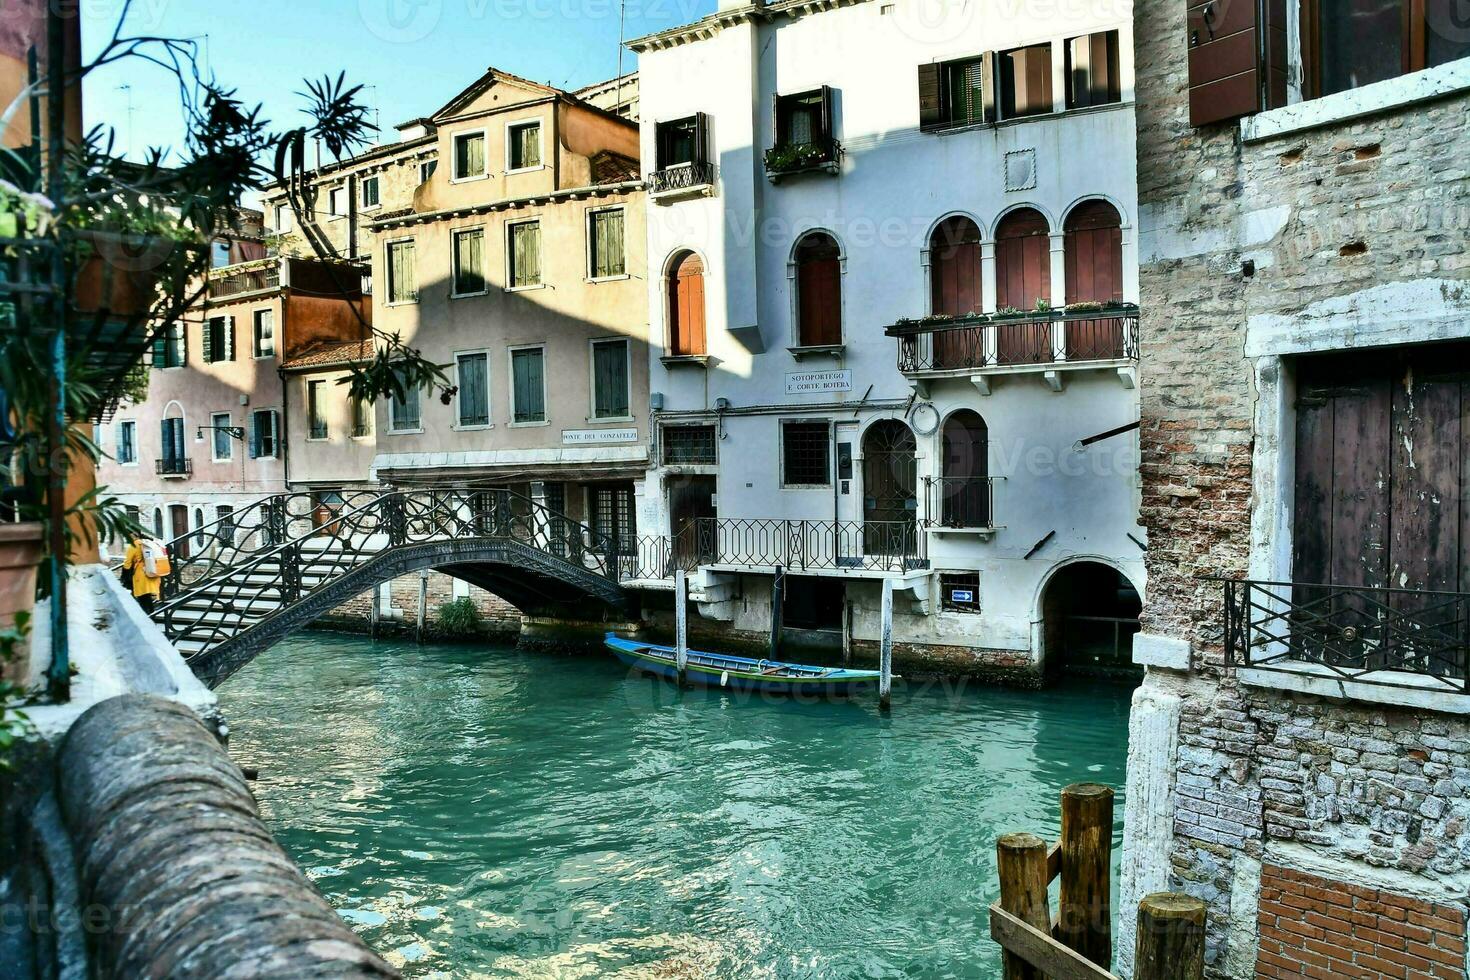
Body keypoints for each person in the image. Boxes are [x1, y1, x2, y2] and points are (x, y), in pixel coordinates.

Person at [122, 533, 162, 614]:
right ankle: (151, 615)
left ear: (133, 535)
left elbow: (127, 563)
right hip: (151, 571)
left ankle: (148, 617)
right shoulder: (147, 543)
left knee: (142, 598)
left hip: (140, 575)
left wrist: (124, 576)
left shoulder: (134, 545)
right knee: (147, 598)